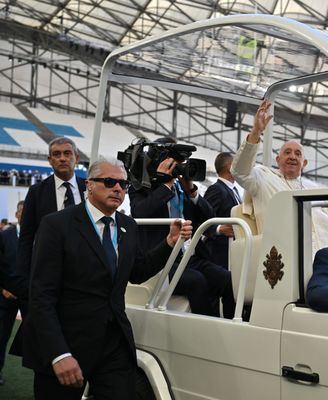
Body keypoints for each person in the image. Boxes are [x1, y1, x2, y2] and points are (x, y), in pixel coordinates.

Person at [21, 158, 192, 400]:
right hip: (68, 342)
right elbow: (41, 296)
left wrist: (169, 243)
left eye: (123, 184)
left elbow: (138, 271)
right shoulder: (56, 225)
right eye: (110, 182)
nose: (118, 189)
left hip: (114, 344)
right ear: (89, 185)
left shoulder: (128, 226)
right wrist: (59, 354)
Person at [129, 137, 234, 318]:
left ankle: (232, 325)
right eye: (173, 162)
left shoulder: (181, 188)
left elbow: (209, 217)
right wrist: (165, 184)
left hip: (188, 257)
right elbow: (140, 212)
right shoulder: (141, 186)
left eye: (180, 163)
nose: (178, 167)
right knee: (197, 281)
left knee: (227, 279)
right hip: (161, 260)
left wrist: (192, 191)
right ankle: (208, 330)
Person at [231, 100, 328, 251]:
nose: (292, 157)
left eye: (297, 154)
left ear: (304, 163)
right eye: (287, 152)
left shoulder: (313, 189)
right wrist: (256, 131)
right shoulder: (262, 177)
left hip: (324, 253)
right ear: (278, 159)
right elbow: (239, 171)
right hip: (283, 253)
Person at [8, 137, 86, 300]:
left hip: (85, 273)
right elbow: (26, 238)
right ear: (50, 160)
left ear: (76, 158)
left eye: (67, 153)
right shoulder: (36, 192)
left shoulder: (89, 188)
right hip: (48, 275)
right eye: (56, 154)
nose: (62, 158)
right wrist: (23, 279)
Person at [0, 201, 26, 385]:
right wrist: (3, 289)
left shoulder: (41, 236)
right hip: (5, 297)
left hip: (30, 298)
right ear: (16, 215)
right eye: (22, 212)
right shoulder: (4, 236)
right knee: (0, 337)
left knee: (40, 337)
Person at [204, 152, 242, 268]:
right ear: (230, 167)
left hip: (231, 252)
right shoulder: (216, 189)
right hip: (219, 254)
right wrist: (219, 229)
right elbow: (203, 218)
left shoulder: (234, 190)